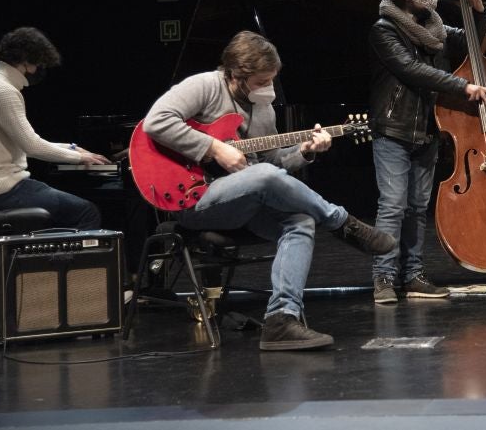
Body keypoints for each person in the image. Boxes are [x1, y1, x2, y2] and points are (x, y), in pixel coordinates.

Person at [142, 30, 396, 350]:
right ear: (237, 75)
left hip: (240, 202)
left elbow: (272, 166)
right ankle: (342, 222)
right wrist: (214, 149)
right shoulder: (205, 85)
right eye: (262, 81)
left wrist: (304, 151)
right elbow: (156, 122)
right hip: (191, 197)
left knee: (300, 221)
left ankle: (281, 320)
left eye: (271, 79)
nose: (268, 87)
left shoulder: (264, 108)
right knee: (262, 175)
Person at [368, 0, 486, 304]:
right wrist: (463, 87)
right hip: (394, 128)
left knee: (416, 206)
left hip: (428, 128)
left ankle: (412, 276)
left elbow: (473, 44)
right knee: (393, 205)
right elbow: (412, 70)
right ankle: (383, 277)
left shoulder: (433, 27)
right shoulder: (385, 30)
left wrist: (479, 11)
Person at [0, 27, 110, 229]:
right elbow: (32, 146)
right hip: (4, 191)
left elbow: (25, 142)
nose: (40, 69)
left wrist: (72, 148)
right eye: (39, 63)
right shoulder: (3, 91)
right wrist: (80, 158)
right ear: (25, 61)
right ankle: (65, 262)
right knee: (87, 212)